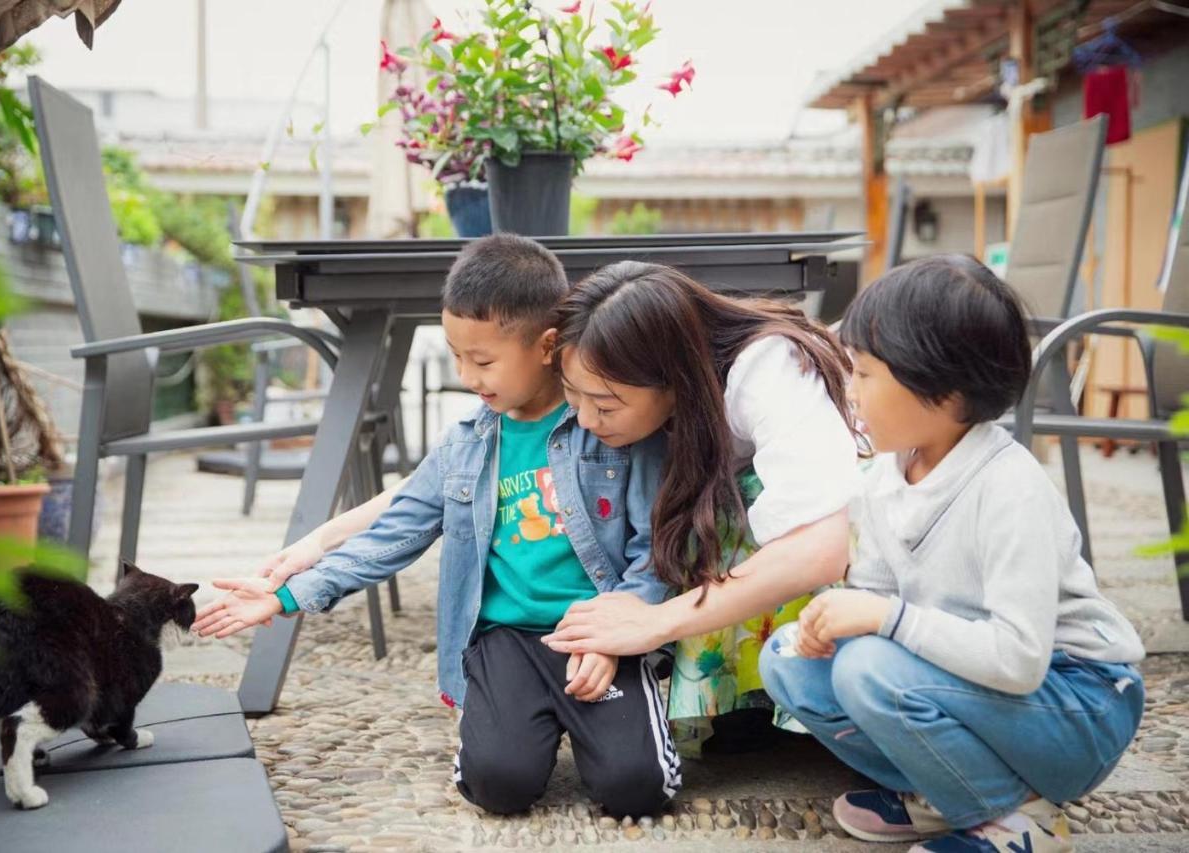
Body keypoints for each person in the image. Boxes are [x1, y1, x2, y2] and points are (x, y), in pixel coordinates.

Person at [193, 234, 680, 818]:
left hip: (602, 627)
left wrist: (616, 633)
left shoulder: (609, 423)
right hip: (506, 639)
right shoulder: (466, 446)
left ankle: (617, 727)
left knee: (638, 790)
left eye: (483, 360)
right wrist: (289, 593)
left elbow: (654, 547)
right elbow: (393, 533)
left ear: (548, 346)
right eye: (455, 355)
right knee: (498, 785)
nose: (466, 374)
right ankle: (503, 725)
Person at [759, 255, 1146, 853]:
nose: (849, 391)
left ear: (942, 389)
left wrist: (883, 620)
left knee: (870, 669)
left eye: (863, 374)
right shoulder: (887, 475)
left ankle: (1017, 820)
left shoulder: (1008, 487)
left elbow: (1019, 660)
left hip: (1078, 707)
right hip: (976, 686)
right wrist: (839, 615)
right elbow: (878, 596)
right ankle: (946, 792)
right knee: (789, 660)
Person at [540, 261, 863, 754]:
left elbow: (820, 546)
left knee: (735, 501)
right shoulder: (654, 393)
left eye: (606, 406)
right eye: (572, 398)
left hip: (857, 533)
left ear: (673, 378)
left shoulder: (767, 368)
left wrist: (656, 621)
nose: (586, 420)